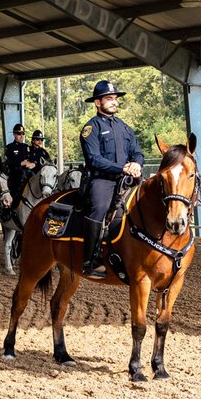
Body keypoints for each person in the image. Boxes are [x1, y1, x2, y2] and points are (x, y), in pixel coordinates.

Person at [79, 80, 144, 278]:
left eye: (115, 99)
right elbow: (93, 159)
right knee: (99, 207)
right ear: (97, 103)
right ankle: (91, 260)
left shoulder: (125, 128)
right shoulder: (91, 128)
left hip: (128, 178)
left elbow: (138, 152)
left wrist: (137, 164)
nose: (114, 102)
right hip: (103, 180)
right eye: (109, 99)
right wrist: (121, 168)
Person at [5, 123, 32, 201]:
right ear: (14, 134)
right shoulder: (9, 147)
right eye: (19, 134)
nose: (22, 136)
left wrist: (30, 163)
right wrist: (20, 163)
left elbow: (30, 159)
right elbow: (9, 163)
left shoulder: (26, 147)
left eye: (23, 134)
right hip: (15, 176)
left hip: (27, 174)